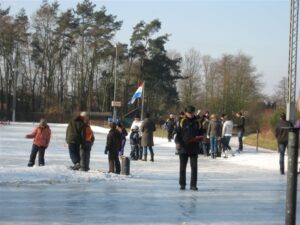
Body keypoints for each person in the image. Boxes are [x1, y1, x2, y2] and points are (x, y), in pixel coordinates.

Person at [175, 105, 201, 191]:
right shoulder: (181, 121)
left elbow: (201, 132)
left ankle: (193, 185)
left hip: (194, 147)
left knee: (194, 167)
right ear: (186, 113)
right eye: (189, 112)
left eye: (192, 112)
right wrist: (178, 143)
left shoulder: (197, 122)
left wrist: (202, 137)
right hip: (183, 147)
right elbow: (176, 133)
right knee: (182, 167)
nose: (191, 114)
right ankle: (182, 184)